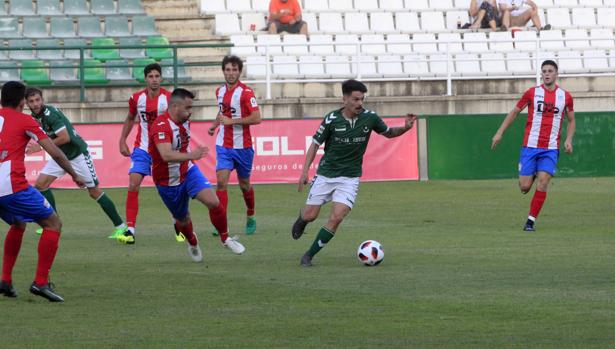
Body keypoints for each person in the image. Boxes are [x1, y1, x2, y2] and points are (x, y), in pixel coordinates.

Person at [291, 79, 417, 267]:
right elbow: (315, 144)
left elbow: (389, 133)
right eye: (356, 99)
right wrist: (304, 171)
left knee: (337, 217)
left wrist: (406, 127)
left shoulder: (370, 117)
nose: (360, 103)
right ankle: (302, 219)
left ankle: (309, 255)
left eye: (362, 99)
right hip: (326, 175)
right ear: (345, 99)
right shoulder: (332, 119)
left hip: (349, 178)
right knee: (310, 215)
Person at [0, 81, 85, 302]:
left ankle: (6, 281)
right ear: (22, 102)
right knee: (53, 224)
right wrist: (74, 174)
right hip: (12, 187)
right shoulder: (26, 120)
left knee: (18, 223)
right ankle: (40, 282)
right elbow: (55, 151)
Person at [150, 88, 246, 261]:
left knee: (214, 202)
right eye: (187, 108)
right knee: (183, 220)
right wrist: (191, 155)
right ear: (175, 106)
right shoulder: (160, 126)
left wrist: (189, 159)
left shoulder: (184, 119)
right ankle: (193, 242)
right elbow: (165, 155)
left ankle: (225, 239)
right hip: (167, 182)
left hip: (188, 171)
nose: (190, 111)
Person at [24, 88, 128, 239]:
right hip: (60, 156)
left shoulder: (50, 114)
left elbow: (64, 137)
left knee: (94, 192)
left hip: (78, 155)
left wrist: (39, 147)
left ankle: (122, 228)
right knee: (41, 184)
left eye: (37, 100)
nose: (35, 104)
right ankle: (54, 223)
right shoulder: (35, 117)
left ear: (42, 100)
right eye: (31, 101)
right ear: (27, 103)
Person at [491, 60, 575, 232]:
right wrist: (499, 132)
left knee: (544, 182)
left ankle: (530, 221)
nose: (546, 74)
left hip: (551, 148)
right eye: (544, 71)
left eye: (550, 71)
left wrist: (569, 139)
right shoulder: (532, 93)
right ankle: (535, 172)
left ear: (556, 73)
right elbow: (514, 112)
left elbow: (571, 120)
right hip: (530, 146)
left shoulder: (565, 97)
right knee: (524, 187)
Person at [118, 63, 173, 244]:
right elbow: (130, 118)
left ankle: (178, 223)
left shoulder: (169, 99)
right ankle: (130, 230)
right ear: (145, 79)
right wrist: (122, 140)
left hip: (163, 150)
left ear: (161, 78)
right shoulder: (136, 99)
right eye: (151, 76)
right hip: (142, 148)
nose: (154, 79)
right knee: (133, 183)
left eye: (157, 76)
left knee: (169, 190)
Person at [208, 55, 261, 236]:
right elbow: (223, 111)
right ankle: (220, 223)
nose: (231, 73)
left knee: (244, 184)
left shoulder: (246, 93)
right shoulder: (219, 91)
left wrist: (232, 122)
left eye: (234, 70)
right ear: (223, 71)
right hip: (223, 145)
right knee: (221, 182)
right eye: (228, 70)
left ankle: (251, 214)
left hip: (243, 147)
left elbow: (256, 118)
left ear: (240, 71)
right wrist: (215, 125)